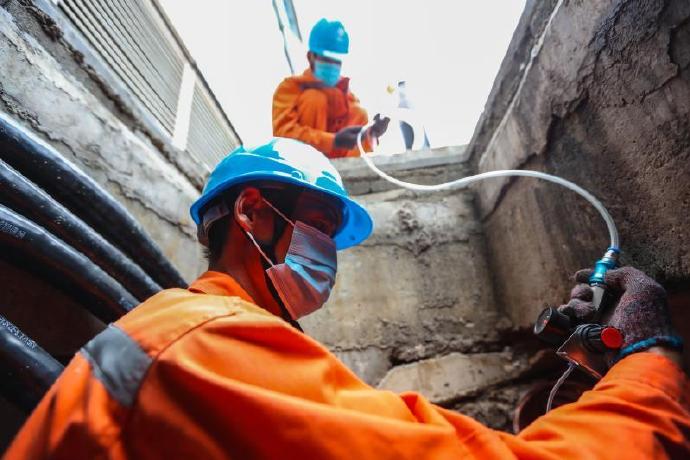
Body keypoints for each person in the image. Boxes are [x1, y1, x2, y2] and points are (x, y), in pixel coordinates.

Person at [6, 138, 689, 459]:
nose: (329, 254)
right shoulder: (206, 342)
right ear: (252, 212)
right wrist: (648, 363)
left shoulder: (201, 335)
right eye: (320, 227)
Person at [272, 18, 389, 158]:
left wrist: (372, 133)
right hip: (303, 162)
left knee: (360, 113)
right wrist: (333, 141)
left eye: (337, 60)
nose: (333, 65)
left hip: (342, 166)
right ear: (311, 57)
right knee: (313, 98)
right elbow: (283, 135)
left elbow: (362, 146)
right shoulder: (290, 88)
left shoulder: (349, 98)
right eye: (327, 59)